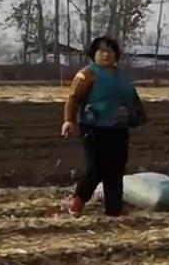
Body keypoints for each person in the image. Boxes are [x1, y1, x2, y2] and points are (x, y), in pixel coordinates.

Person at [60, 36, 145, 216]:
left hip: (119, 127)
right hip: (94, 126)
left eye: (110, 51)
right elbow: (74, 99)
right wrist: (69, 120)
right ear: (94, 54)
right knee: (97, 166)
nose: (106, 55)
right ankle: (78, 199)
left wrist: (139, 116)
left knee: (116, 167)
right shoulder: (87, 74)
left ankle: (114, 208)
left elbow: (132, 97)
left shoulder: (121, 75)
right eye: (101, 51)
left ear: (116, 54)